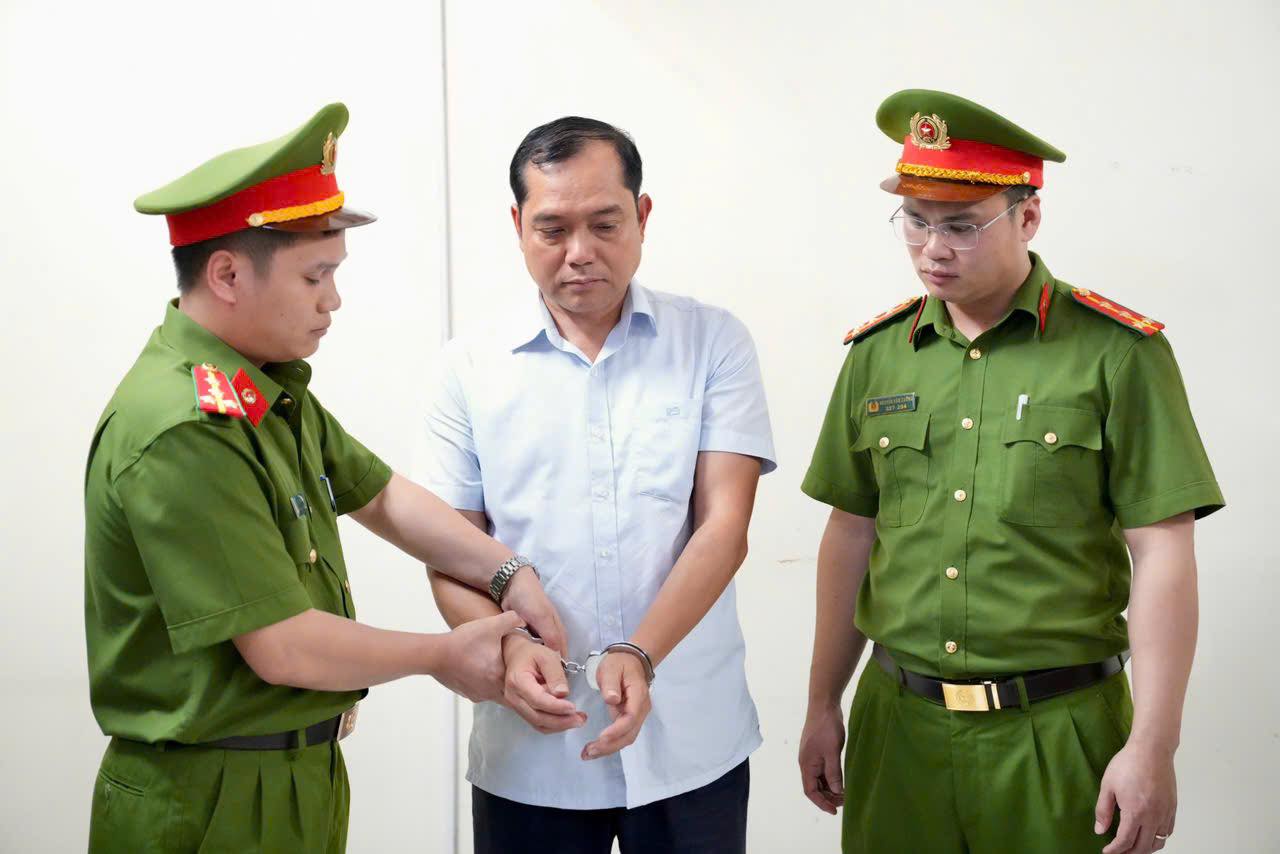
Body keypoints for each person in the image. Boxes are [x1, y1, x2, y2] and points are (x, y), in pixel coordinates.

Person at [84, 103, 567, 852]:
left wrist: (509, 572)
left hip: (289, 778)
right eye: (316, 275)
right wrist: (442, 655)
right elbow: (283, 646)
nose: (332, 299)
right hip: (206, 801)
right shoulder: (184, 426)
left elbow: (381, 495)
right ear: (227, 273)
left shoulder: (261, 388)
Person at [797, 89, 1224, 854]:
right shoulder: (877, 356)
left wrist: (1154, 744)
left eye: (961, 225)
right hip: (899, 727)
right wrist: (821, 702)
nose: (933, 248)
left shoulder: (1117, 354)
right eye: (915, 221)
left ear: (1028, 217)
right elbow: (851, 532)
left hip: (1057, 732)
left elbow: (1163, 549)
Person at [422, 116, 776, 854]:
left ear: (642, 216)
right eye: (552, 229)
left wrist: (641, 652)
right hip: (530, 750)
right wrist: (507, 654)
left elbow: (723, 527)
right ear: (517, 226)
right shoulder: (469, 367)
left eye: (605, 224)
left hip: (692, 740)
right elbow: (451, 553)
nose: (579, 252)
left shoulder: (712, 342)